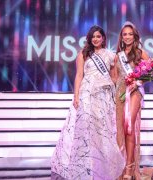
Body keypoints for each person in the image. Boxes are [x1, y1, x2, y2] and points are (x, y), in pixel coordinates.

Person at [51, 25, 125, 179]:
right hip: (87, 93)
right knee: (85, 128)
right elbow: (79, 75)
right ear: (90, 39)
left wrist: (115, 94)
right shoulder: (83, 54)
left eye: (98, 36)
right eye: (93, 37)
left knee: (102, 130)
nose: (96, 39)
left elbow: (114, 77)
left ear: (103, 38)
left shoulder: (112, 56)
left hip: (103, 95)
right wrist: (76, 95)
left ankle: (102, 167)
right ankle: (83, 166)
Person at [113, 21, 153, 180]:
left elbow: (150, 73)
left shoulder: (140, 52)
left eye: (130, 34)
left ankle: (130, 168)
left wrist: (138, 82)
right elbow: (115, 78)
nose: (128, 36)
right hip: (120, 94)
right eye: (125, 34)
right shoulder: (118, 56)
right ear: (121, 37)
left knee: (129, 126)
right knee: (122, 130)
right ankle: (123, 165)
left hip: (135, 92)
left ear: (135, 35)